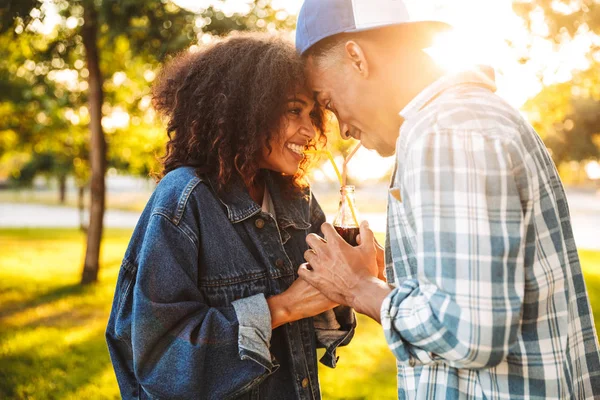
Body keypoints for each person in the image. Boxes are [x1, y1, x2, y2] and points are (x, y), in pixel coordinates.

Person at [294, 0, 600, 398]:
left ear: (356, 57)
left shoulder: (446, 132)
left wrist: (358, 288)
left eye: (329, 103)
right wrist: (403, 276)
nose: (343, 128)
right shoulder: (466, 118)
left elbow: (471, 331)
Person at [105, 33, 355, 400]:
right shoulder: (184, 198)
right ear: (247, 110)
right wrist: (281, 308)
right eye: (293, 110)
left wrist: (349, 282)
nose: (310, 131)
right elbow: (159, 357)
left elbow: (322, 329)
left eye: (313, 114)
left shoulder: (297, 198)